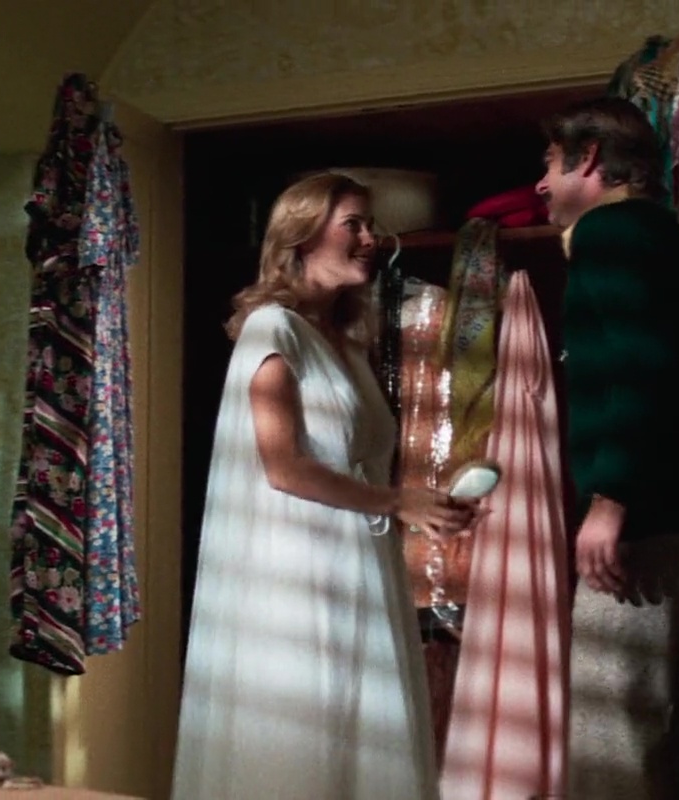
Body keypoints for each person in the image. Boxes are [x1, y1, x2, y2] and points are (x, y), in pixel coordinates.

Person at [172, 173, 473, 800]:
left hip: (360, 565)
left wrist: (429, 506)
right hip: (300, 574)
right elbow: (282, 465)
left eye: (370, 225)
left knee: (360, 735)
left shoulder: (349, 343)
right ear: (303, 238)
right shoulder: (272, 329)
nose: (370, 239)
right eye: (352, 225)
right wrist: (398, 502)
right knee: (308, 734)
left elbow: (360, 460)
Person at [537, 97, 679, 799]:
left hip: (646, 537)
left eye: (549, 164)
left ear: (589, 158)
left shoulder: (609, 232)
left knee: (611, 757)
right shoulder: (673, 239)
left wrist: (610, 500)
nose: (540, 184)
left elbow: (640, 366)